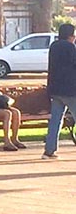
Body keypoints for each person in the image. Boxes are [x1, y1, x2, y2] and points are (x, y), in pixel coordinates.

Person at [43, 23, 76, 159]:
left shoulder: (54, 46)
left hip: (55, 89)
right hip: (70, 90)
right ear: (70, 35)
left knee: (55, 120)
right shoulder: (71, 47)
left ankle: (49, 150)